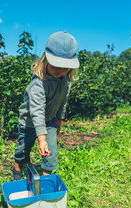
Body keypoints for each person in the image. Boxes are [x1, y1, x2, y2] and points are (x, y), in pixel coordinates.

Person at [13, 30, 80, 180]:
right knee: (23, 149)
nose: (59, 70)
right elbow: (37, 113)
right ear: (45, 58)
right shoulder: (38, 84)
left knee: (50, 152)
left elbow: (62, 103)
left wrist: (58, 124)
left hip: (49, 121)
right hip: (29, 122)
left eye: (64, 66)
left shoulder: (65, 82)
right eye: (55, 64)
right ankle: (17, 169)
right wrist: (41, 140)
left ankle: (45, 182)